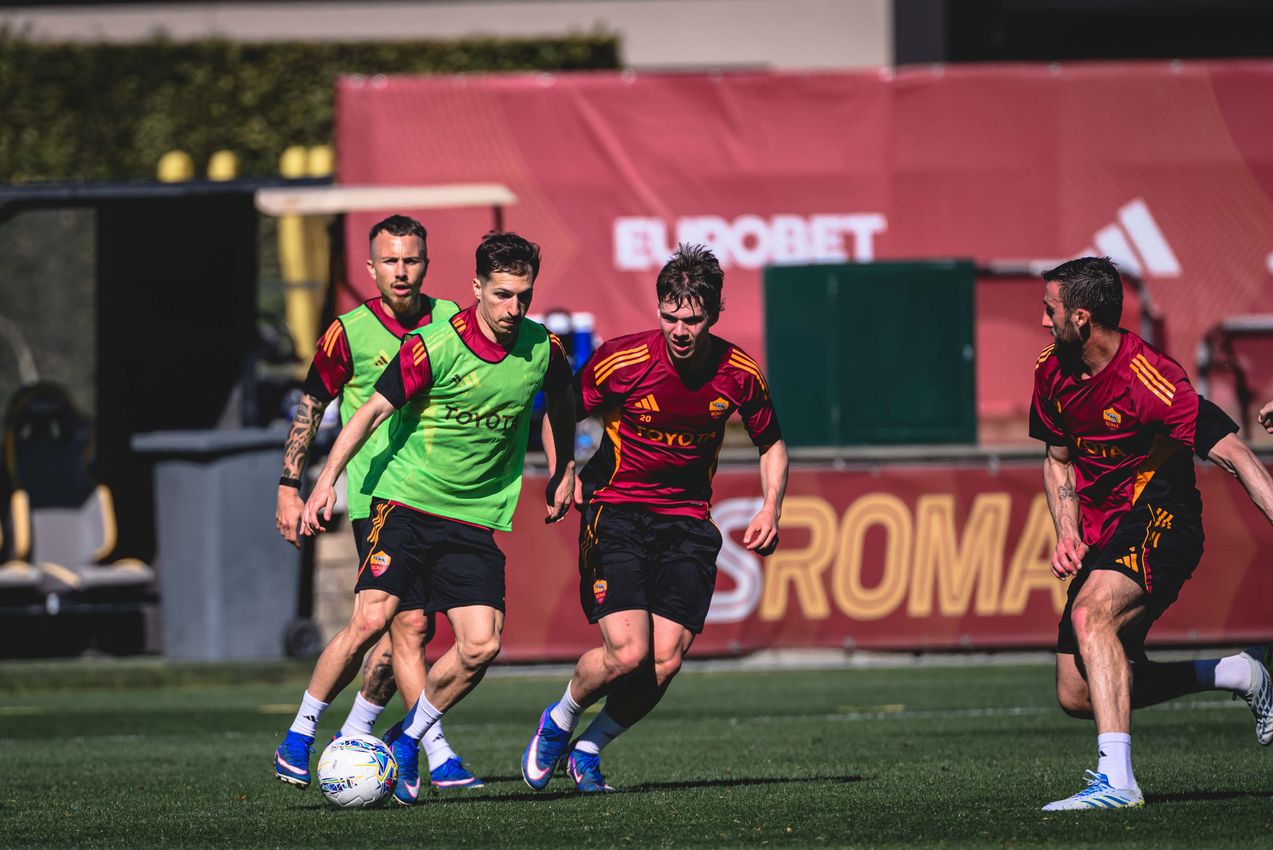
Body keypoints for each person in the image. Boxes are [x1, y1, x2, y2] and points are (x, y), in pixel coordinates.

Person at [301, 231, 575, 806]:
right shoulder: (431, 346)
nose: (513, 308)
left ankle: (408, 736)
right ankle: (304, 733)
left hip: (474, 518)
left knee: (481, 646)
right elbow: (369, 411)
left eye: (523, 296)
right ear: (476, 288)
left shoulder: (544, 349)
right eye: (502, 295)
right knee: (380, 622)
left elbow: (560, 407)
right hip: (403, 503)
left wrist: (562, 468)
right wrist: (322, 480)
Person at [520, 243, 788, 794]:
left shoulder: (738, 372)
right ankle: (561, 718)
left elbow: (772, 444)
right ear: (659, 309)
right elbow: (561, 412)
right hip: (615, 509)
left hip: (687, 521)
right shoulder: (624, 361)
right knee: (629, 652)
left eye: (692, 319)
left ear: (713, 314)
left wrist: (771, 506)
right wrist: (562, 470)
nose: (681, 330)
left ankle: (589, 749)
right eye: (671, 317)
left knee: (665, 659)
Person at [1030, 256, 1273, 811]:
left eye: (1050, 311)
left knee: (1092, 616)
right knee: (1075, 692)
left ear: (1083, 317)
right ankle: (1238, 671)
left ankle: (1117, 782)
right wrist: (1067, 530)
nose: (1043, 322)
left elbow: (1234, 453)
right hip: (1103, 532)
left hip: (1164, 518)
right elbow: (1057, 458)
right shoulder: (1051, 369)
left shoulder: (1151, 379)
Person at [273, 215, 481, 790]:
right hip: (378, 496)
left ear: (426, 264)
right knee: (404, 624)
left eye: (410, 259)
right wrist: (291, 485)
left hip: (439, 499)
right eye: (389, 260)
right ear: (371, 267)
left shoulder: (452, 323)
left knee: (405, 637)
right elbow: (312, 405)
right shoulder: (350, 331)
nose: (401, 271)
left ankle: (361, 732)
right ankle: (430, 752)